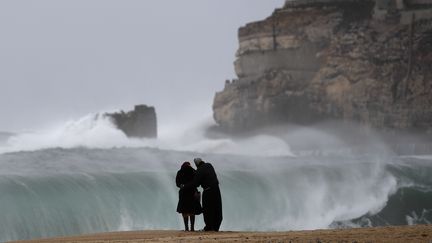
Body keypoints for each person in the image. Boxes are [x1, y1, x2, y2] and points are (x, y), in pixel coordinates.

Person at [182, 158, 222, 231]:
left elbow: (196, 183)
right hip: (216, 189)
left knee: (207, 210)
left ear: (196, 164)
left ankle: (208, 227)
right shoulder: (209, 165)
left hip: (208, 191)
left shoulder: (199, 170)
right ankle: (216, 228)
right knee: (217, 209)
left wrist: (185, 186)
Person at [176, 161, 202, 231]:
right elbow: (197, 182)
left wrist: (181, 185)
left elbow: (177, 183)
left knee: (184, 211)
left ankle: (186, 228)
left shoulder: (179, 172)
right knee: (192, 210)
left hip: (183, 193)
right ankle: (192, 228)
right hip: (192, 192)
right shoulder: (193, 171)